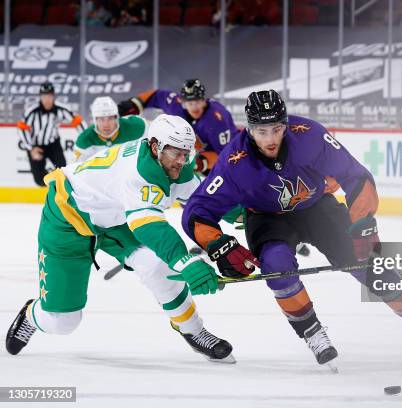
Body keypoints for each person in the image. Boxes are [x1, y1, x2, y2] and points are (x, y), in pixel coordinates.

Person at [181, 90, 402, 368]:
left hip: (317, 208)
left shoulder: (310, 135)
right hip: (267, 219)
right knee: (277, 266)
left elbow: (355, 176)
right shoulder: (234, 160)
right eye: (262, 131)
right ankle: (312, 331)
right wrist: (219, 244)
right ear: (249, 129)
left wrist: (363, 224)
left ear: (286, 124)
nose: (270, 139)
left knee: (367, 265)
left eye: (277, 129)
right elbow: (198, 211)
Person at [6, 115, 233, 363]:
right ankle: (32, 314)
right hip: (67, 219)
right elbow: (149, 226)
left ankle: (193, 330)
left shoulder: (169, 156)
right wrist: (185, 261)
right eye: (176, 153)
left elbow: (201, 197)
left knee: (158, 267)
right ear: (155, 146)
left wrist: (245, 211)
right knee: (63, 322)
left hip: (113, 215)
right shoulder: (137, 175)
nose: (182, 160)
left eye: (186, 153)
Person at [118, 79, 239, 175]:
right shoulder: (175, 105)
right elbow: (156, 95)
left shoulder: (217, 119)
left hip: (232, 154)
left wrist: (200, 163)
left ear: (204, 100)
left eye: (197, 102)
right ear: (182, 101)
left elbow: (225, 156)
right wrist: (135, 103)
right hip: (191, 152)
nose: (194, 107)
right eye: (190, 103)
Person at [17, 82, 86, 186]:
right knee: (39, 180)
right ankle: (53, 187)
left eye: (49, 95)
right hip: (36, 146)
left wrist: (86, 139)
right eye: (44, 96)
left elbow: (78, 121)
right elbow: (22, 128)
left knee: (63, 171)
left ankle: (60, 192)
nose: (47, 99)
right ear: (40, 97)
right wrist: (31, 148)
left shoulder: (61, 109)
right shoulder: (32, 111)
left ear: (53, 96)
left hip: (53, 144)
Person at [74, 96, 147, 162]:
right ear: (95, 120)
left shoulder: (136, 126)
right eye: (101, 119)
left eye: (110, 118)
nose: (106, 124)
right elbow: (76, 170)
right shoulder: (84, 140)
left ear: (117, 118)